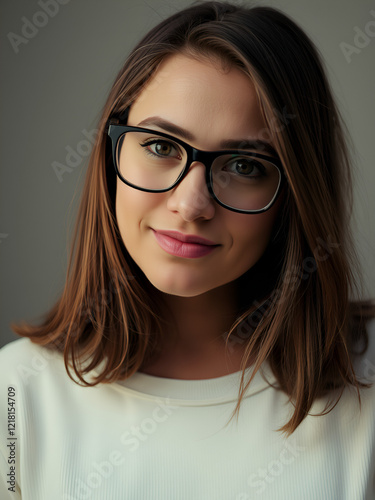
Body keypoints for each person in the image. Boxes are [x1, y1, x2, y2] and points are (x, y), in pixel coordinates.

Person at [1, 1, 374, 498]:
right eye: (160, 146)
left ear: (295, 193)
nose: (191, 204)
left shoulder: (366, 375)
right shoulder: (16, 392)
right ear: (110, 156)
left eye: (244, 165)